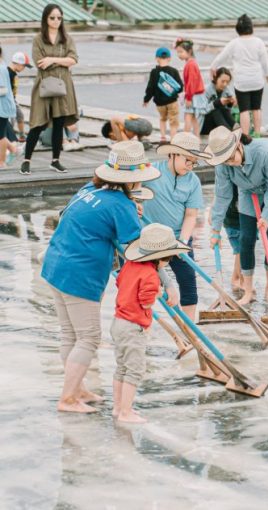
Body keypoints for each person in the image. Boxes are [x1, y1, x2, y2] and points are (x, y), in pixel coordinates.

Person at [41, 140, 162, 414]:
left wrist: (127, 211)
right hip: (79, 275)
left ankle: (77, 389)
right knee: (88, 337)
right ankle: (68, 399)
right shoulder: (121, 205)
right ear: (132, 181)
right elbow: (137, 250)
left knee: (69, 334)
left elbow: (70, 215)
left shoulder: (90, 188)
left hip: (55, 264)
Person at [207, 126, 268, 305]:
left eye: (231, 158)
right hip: (247, 190)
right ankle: (247, 290)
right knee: (246, 239)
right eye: (226, 161)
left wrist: (266, 216)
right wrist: (215, 230)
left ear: (238, 145)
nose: (230, 163)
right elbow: (222, 196)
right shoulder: (223, 165)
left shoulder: (264, 153)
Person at [114, 223, 190, 424]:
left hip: (118, 322)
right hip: (133, 327)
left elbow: (119, 282)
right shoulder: (150, 275)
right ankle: (126, 412)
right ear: (162, 257)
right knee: (135, 370)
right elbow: (146, 302)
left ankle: (118, 407)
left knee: (121, 367)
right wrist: (159, 292)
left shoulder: (130, 265)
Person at [142, 132, 209, 319]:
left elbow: (191, 215)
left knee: (188, 282)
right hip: (149, 238)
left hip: (178, 237)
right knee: (145, 283)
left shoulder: (193, 181)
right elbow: (132, 192)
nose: (191, 165)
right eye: (188, 160)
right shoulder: (152, 172)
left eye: (194, 162)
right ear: (173, 154)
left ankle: (189, 328)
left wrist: (183, 242)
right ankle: (143, 324)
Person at [21, 4, 79, 176]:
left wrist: (52, 59)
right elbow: (40, 62)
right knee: (37, 123)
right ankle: (26, 160)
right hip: (44, 85)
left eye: (59, 18)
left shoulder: (67, 38)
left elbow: (74, 59)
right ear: (46, 18)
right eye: (52, 17)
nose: (56, 21)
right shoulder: (38, 39)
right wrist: (63, 61)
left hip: (63, 86)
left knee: (59, 123)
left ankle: (55, 160)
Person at [210, 14, 268, 138]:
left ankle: (245, 137)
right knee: (256, 108)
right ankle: (257, 134)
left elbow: (221, 57)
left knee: (244, 110)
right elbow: (265, 61)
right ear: (251, 27)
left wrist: (213, 67)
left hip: (242, 81)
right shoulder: (259, 42)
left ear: (237, 29)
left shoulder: (234, 43)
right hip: (256, 80)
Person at [142, 47, 182, 141]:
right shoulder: (174, 71)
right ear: (169, 58)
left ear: (157, 58)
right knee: (173, 122)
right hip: (172, 101)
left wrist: (146, 100)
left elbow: (150, 88)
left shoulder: (154, 72)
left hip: (160, 103)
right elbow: (180, 87)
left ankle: (163, 138)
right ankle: (173, 140)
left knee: (162, 119)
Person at [175, 38, 205, 135]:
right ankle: (196, 138)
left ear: (189, 51)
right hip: (196, 95)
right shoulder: (191, 63)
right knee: (193, 118)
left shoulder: (190, 64)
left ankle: (186, 137)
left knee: (188, 116)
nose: (179, 54)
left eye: (181, 52)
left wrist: (188, 97)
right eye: (178, 52)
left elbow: (191, 83)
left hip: (192, 95)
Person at [200, 68, 237, 136]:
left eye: (227, 82)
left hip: (219, 125)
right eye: (222, 81)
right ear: (216, 79)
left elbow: (227, 113)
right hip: (204, 126)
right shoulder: (206, 90)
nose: (225, 84)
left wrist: (230, 104)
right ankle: (229, 132)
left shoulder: (227, 91)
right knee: (216, 110)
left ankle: (236, 129)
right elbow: (202, 111)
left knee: (224, 109)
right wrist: (216, 103)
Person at [0, 46, 17, 170]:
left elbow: (3, 90)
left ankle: (1, 162)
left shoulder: (0, 68)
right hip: (4, 106)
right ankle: (13, 149)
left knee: (0, 135)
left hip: (2, 106)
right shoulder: (3, 66)